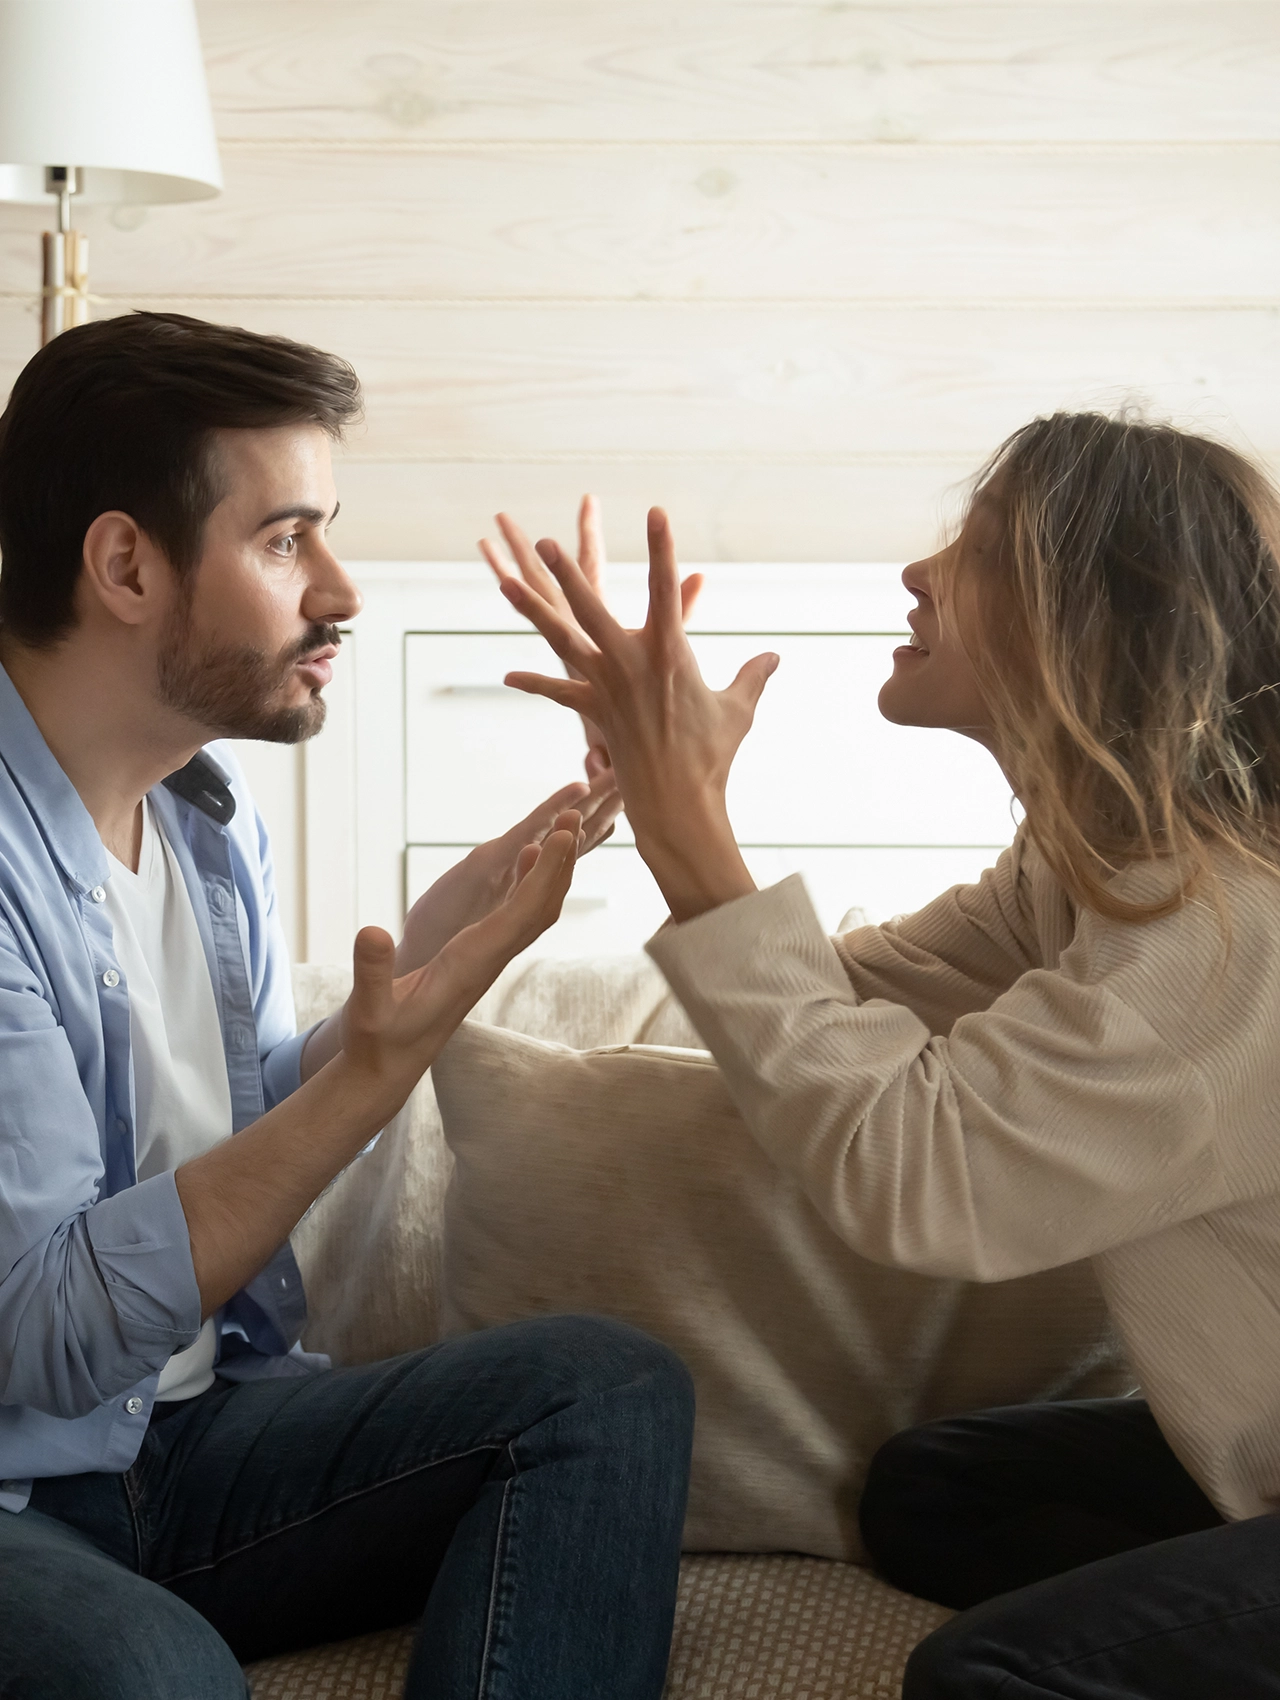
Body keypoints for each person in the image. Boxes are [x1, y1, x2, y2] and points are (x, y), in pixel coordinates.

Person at [488, 413, 1280, 1699]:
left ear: (1089, 617)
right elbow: (829, 1010)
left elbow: (921, 1174)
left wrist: (694, 827)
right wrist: (666, 804)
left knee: (986, 1673)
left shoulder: (1223, 933)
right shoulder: (1088, 868)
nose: (918, 572)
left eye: (978, 549)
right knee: (931, 1492)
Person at [0, 310, 695, 1700]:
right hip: (23, 1478)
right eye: (285, 541)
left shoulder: (205, 815)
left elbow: (242, 1120)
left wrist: (449, 947)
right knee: (156, 1677)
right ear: (126, 564)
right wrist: (381, 1071)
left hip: (183, 1439)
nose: (342, 590)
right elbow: (46, 1331)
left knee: (606, 1388)